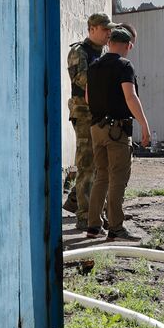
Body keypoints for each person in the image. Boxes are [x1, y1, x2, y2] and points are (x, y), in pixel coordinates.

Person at [84, 27, 152, 241]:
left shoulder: (94, 65)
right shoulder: (124, 65)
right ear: (127, 45)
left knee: (101, 177)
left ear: (109, 42)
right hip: (117, 131)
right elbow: (130, 97)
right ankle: (116, 228)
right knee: (117, 179)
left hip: (96, 128)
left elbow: (87, 98)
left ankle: (93, 226)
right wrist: (145, 125)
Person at [65, 12, 114, 232]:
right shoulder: (79, 52)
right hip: (84, 114)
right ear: (92, 29)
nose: (108, 34)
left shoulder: (102, 52)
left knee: (99, 165)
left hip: (99, 113)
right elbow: (83, 80)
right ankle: (84, 216)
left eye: (109, 30)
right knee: (87, 164)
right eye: (105, 29)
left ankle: (89, 207)